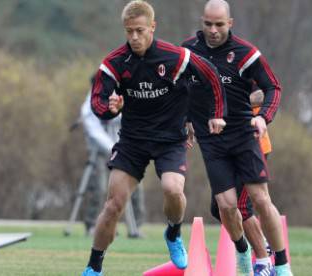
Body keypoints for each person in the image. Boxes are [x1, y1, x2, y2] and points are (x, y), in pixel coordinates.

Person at [82, 1, 226, 275]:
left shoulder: (176, 57)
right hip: (133, 141)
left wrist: (215, 114)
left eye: (139, 30)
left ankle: (172, 233)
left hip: (170, 140)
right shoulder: (115, 62)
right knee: (113, 205)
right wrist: (108, 107)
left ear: (152, 27)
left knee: (173, 189)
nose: (134, 37)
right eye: (129, 31)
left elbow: (211, 76)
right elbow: (98, 99)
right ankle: (93, 267)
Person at [182, 1, 292, 275]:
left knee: (260, 199)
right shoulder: (187, 52)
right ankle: (245, 254)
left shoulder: (246, 54)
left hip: (244, 136)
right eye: (208, 24)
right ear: (202, 21)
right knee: (225, 207)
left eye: (219, 24)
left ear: (230, 23)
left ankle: (280, 265)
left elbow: (273, 87)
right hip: (212, 142)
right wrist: (184, 120)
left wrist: (262, 116)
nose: (213, 30)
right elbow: (177, 88)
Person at [206, 89, 275, 276]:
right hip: (223, 148)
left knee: (243, 207)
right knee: (218, 208)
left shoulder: (245, 62)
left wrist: (231, 100)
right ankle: (259, 244)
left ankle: (265, 262)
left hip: (252, 146)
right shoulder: (205, 65)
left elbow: (264, 93)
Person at [80, 91, 145, 238]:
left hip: (121, 147)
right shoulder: (90, 103)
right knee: (99, 187)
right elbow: (94, 130)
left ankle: (136, 227)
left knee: (134, 186)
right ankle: (92, 225)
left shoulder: (123, 93)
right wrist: (112, 148)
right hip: (99, 151)